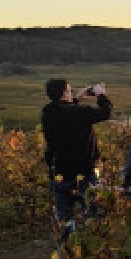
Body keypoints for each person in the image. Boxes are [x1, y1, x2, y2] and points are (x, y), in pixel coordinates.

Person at [40, 78, 112, 223]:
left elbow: (65, 111)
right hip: (84, 173)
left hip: (59, 173)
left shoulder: (47, 113)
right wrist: (101, 95)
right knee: (93, 216)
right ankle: (89, 242)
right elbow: (105, 112)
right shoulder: (80, 112)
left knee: (64, 219)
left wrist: (76, 99)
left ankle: (66, 243)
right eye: (69, 90)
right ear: (64, 93)